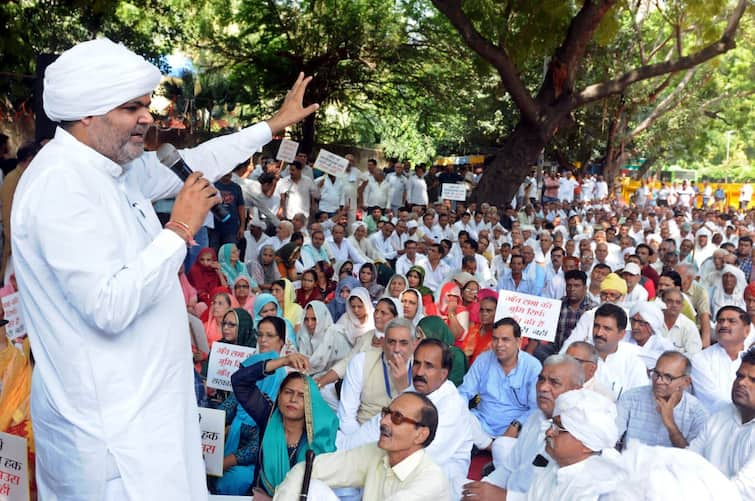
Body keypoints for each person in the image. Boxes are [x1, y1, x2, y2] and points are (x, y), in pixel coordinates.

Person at [11, 38, 318, 499]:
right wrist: (178, 229)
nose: (147, 118)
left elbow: (200, 161)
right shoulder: (60, 187)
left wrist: (269, 127)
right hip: (110, 442)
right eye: (132, 107)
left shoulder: (114, 169)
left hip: (147, 424)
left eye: (146, 105)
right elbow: (109, 306)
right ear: (89, 113)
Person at [337, 339, 475, 498]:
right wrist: (345, 449)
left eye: (429, 366)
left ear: (443, 374)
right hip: (393, 462)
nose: (419, 371)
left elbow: (418, 456)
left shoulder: (452, 407)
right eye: (416, 363)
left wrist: (365, 461)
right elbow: (374, 428)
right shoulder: (413, 391)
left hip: (435, 479)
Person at [272, 392, 450, 500]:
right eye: (386, 413)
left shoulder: (430, 480)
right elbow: (310, 468)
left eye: (397, 418)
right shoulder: (377, 452)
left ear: (421, 434)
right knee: (312, 487)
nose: (384, 421)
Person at [462, 354, 584, 501]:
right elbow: (509, 468)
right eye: (541, 379)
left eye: (554, 382)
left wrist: (504, 497)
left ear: (575, 390)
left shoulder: (575, 436)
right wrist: (483, 488)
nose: (543, 388)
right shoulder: (535, 418)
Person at [230, 349, 338, 498]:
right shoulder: (268, 416)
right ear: (279, 395)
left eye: (301, 396)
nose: (293, 399)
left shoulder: (316, 437)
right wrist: (284, 361)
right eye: (288, 392)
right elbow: (239, 381)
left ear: (311, 403)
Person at [213, 318, 286, 495]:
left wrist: (225, 461)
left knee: (232, 480)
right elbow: (232, 402)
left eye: (269, 335)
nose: (263, 340)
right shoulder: (251, 364)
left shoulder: (283, 380)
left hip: (255, 459)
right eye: (260, 334)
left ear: (281, 341)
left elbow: (264, 436)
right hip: (230, 443)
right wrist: (213, 425)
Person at [525, 389, 623, 500]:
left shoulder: (598, 490)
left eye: (559, 428)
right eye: (552, 424)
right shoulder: (553, 467)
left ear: (587, 445)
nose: (549, 432)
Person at [688, 346, 755, 498]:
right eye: (739, 376)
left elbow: (740, 488)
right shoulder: (720, 415)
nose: (742, 383)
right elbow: (689, 459)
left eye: (753, 380)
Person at [458, 317, 541, 437]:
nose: (499, 345)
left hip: (515, 430)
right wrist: (460, 412)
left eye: (505, 339)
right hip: (481, 424)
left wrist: (518, 424)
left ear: (518, 342)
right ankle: (489, 446)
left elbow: (535, 408)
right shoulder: (483, 360)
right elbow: (464, 392)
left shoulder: (532, 366)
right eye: (495, 339)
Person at [337, 317, 416, 435]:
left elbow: (416, 419)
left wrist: (404, 388)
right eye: (391, 342)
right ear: (383, 343)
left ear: (413, 345)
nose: (396, 349)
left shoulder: (420, 368)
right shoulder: (362, 361)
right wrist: (361, 443)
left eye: (403, 343)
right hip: (362, 433)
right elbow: (346, 417)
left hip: (401, 438)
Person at [616, 351, 707, 448]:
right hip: (629, 461)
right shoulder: (630, 399)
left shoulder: (697, 413)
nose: (658, 381)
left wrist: (670, 424)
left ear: (685, 382)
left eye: (668, 377)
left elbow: (693, 458)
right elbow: (612, 438)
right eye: (656, 374)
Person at [692, 305, 753, 411]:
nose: (724, 325)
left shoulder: (752, 359)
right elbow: (713, 399)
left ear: (746, 331)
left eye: (731, 321)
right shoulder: (701, 359)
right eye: (720, 321)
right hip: (715, 422)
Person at [297, 301, 352, 378]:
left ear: (323, 317)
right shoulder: (303, 335)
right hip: (307, 375)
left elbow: (344, 365)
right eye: (306, 319)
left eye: (314, 319)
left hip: (333, 379)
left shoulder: (335, 335)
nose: (309, 324)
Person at [417, 315, 468, 386]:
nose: (419, 341)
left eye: (422, 336)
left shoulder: (456, 356)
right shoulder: (424, 352)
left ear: (434, 333)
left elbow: (454, 384)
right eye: (418, 337)